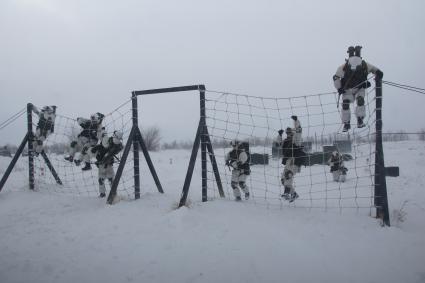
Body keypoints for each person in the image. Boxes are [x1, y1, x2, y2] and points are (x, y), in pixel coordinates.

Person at [333, 45, 384, 132]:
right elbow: (336, 77)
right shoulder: (344, 67)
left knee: (360, 100)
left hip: (360, 88)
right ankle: (346, 123)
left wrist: (378, 75)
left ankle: (360, 119)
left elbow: (375, 70)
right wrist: (339, 87)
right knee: (345, 104)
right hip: (347, 89)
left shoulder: (364, 65)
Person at [91, 130, 124, 198]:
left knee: (110, 179)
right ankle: (103, 193)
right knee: (101, 180)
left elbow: (108, 155)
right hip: (102, 165)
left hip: (107, 164)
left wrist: (101, 161)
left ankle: (113, 194)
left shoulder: (114, 144)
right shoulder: (104, 143)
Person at [280, 127, 305, 202]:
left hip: (294, 161)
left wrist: (296, 121)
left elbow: (298, 134)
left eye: (289, 132)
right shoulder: (285, 141)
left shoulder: (295, 140)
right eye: (287, 132)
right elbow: (278, 144)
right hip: (288, 162)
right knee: (283, 180)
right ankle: (294, 194)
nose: (288, 134)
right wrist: (279, 135)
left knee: (288, 175)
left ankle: (286, 193)